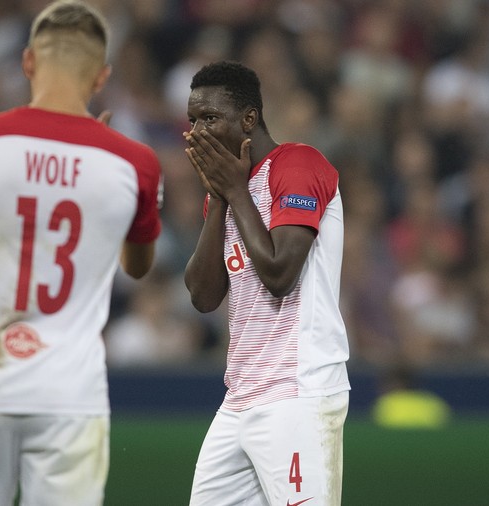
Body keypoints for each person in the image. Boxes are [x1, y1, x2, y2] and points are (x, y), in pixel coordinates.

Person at [0, 1, 162, 504]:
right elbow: (137, 267)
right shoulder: (133, 163)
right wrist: (105, 191)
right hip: (70, 398)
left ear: (27, 62)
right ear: (101, 78)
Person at [182, 60, 350, 506]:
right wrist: (220, 198)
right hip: (239, 398)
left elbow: (279, 275)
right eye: (193, 120)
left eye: (211, 118)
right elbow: (203, 296)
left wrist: (235, 192)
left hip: (298, 392)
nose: (197, 131)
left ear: (249, 119)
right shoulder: (230, 188)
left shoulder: (298, 164)